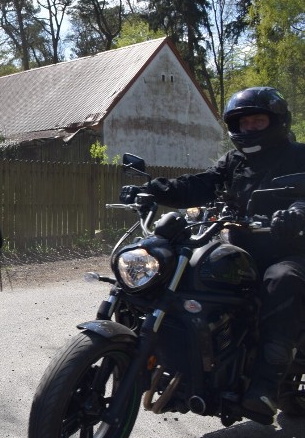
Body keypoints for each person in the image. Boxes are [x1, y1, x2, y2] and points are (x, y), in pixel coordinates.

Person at [121, 86, 305, 420]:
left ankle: (265, 387)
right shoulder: (235, 161)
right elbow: (200, 183)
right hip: (239, 249)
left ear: (276, 121)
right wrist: (151, 190)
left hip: (290, 252)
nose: (249, 128)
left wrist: (298, 211)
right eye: (243, 122)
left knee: (282, 280)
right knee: (183, 267)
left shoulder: (299, 156)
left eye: (258, 120)